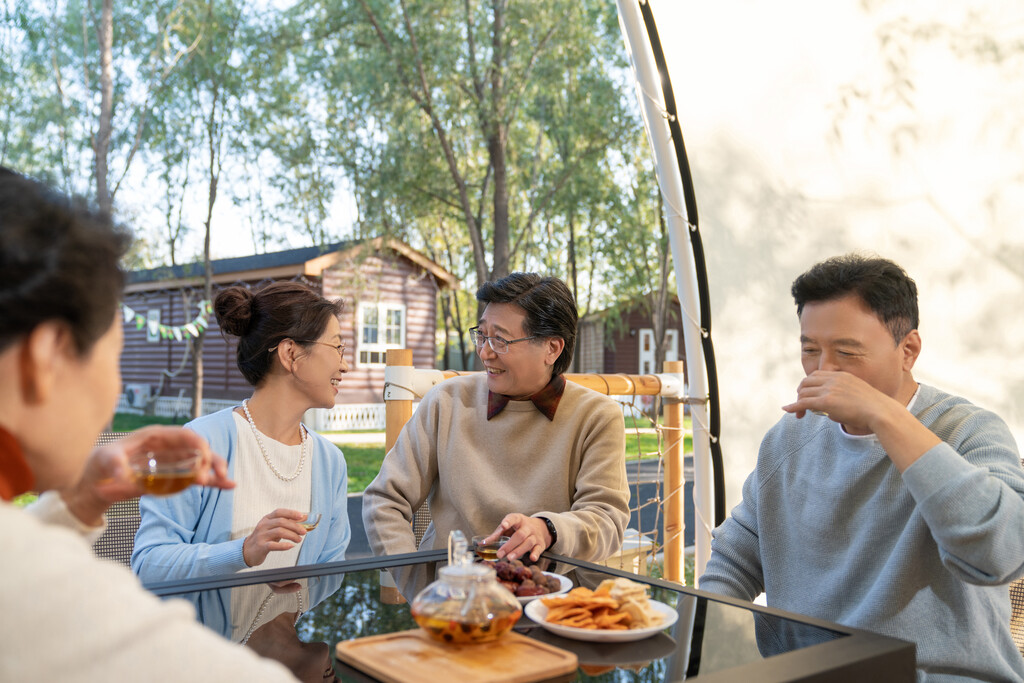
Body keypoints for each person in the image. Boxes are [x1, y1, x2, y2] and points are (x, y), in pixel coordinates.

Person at [0, 166, 298, 680]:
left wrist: (78, 502)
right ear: (45, 360)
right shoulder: (43, 589)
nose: (115, 389)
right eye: (112, 358)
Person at [699, 254, 1024, 681]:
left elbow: (999, 552)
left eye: (847, 354)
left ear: (908, 350)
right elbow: (736, 557)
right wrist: (704, 642)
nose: (824, 370)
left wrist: (884, 416)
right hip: (802, 672)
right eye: (810, 350)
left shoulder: (968, 430)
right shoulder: (789, 437)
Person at [362, 272, 630, 596]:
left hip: (556, 606)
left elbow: (607, 519)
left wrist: (548, 530)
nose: (485, 352)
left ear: (552, 348)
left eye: (500, 340)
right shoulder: (446, 402)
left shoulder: (596, 416)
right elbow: (384, 500)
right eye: (482, 335)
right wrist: (423, 588)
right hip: (456, 604)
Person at [133, 282, 351, 583]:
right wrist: (243, 551)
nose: (346, 364)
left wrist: (290, 613)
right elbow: (149, 565)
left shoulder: (331, 463)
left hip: (293, 631)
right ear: (291, 354)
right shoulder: (198, 445)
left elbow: (330, 573)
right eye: (337, 347)